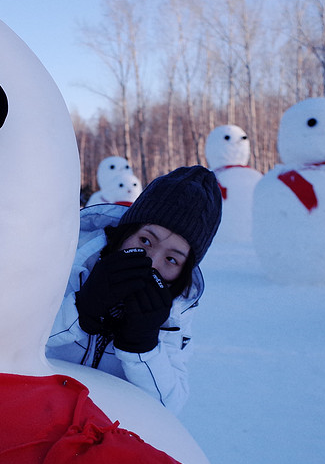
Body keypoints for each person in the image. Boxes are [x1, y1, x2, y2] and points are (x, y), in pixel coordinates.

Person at [46, 165, 222, 415]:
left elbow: (169, 406)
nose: (152, 262)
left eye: (172, 259)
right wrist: (80, 310)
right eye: (145, 241)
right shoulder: (68, 262)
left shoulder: (175, 310)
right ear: (126, 232)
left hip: (106, 433)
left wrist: (142, 348)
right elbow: (8, 341)